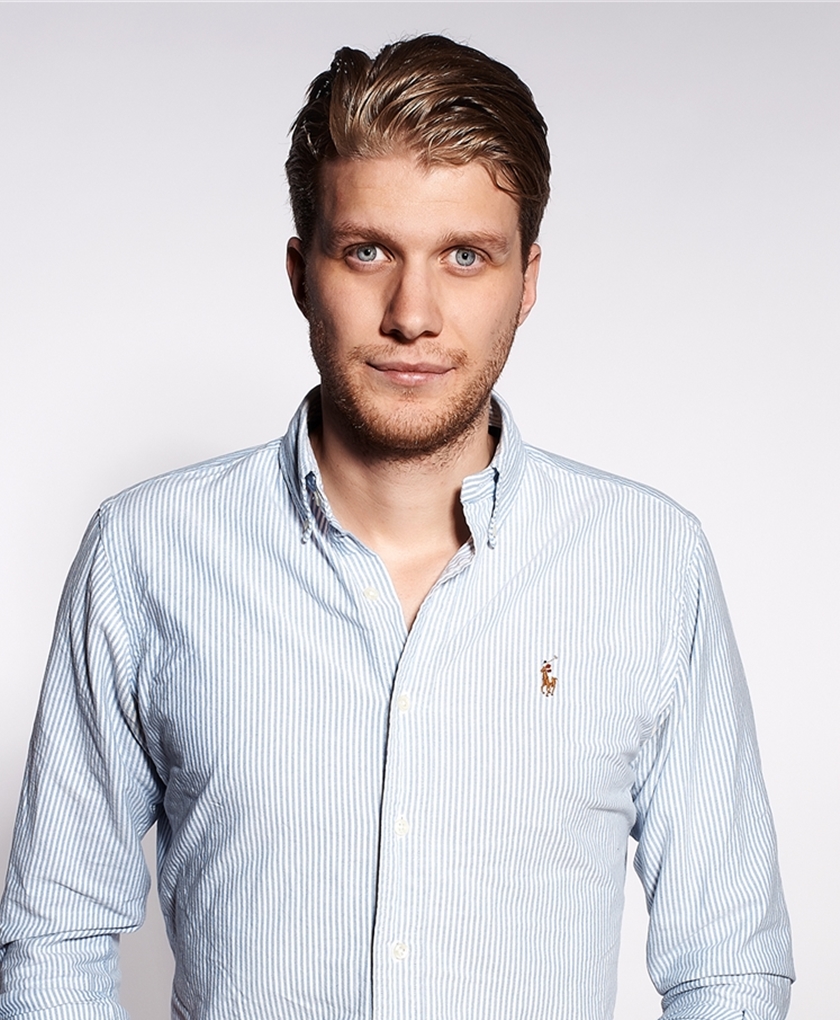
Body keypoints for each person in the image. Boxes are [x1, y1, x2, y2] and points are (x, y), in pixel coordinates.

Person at [0, 34, 793, 1019]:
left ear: (527, 280)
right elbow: (55, 938)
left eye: (466, 256)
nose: (412, 314)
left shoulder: (650, 563)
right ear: (302, 271)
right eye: (368, 251)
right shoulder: (146, 553)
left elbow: (728, 966)